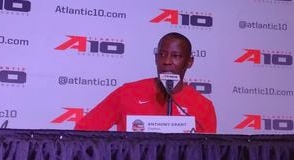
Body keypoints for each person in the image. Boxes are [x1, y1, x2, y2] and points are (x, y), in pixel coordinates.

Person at [74, 32, 216, 133]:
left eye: (176, 56)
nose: (166, 61)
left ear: (189, 62)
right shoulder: (128, 93)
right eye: (162, 54)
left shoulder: (204, 107)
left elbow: (208, 157)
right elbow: (83, 132)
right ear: (155, 58)